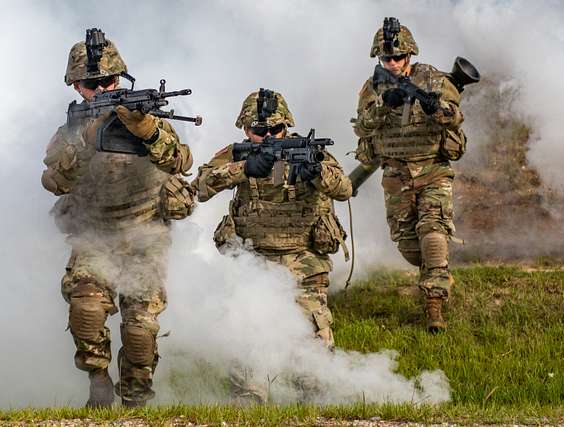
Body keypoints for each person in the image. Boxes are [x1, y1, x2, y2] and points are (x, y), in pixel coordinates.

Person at [41, 30, 194, 407]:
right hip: (94, 236)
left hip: (145, 234)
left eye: (110, 81)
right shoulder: (70, 131)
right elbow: (53, 181)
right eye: (94, 84)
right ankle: (98, 383)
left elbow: (181, 162)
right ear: (78, 86)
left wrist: (149, 131)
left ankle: (136, 399)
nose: (103, 89)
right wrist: (86, 143)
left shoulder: (150, 119)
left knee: (140, 332)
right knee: (86, 312)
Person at [192, 89, 351, 351]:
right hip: (253, 260)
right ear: (245, 130)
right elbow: (200, 187)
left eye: (275, 129)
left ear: (286, 126)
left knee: (315, 350)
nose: (268, 137)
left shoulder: (306, 149)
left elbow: (344, 189)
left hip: (306, 259)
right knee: (251, 344)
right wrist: (243, 169)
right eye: (259, 131)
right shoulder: (236, 154)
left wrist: (318, 172)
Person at [351, 17, 468, 332]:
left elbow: (456, 117)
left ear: (410, 55)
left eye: (398, 58)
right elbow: (361, 127)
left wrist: (436, 109)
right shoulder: (372, 87)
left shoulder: (433, 80)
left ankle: (434, 308)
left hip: (432, 170)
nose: (392, 63)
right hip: (396, 175)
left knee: (433, 233)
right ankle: (433, 270)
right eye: (386, 58)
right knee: (409, 247)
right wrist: (383, 107)